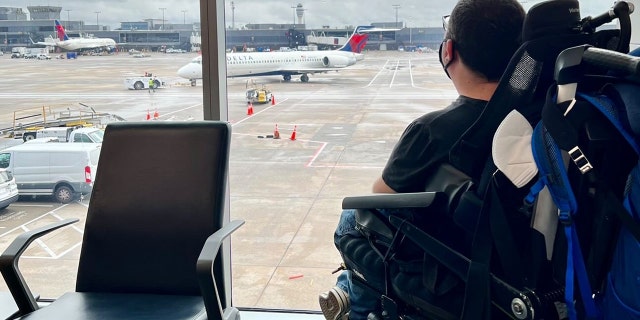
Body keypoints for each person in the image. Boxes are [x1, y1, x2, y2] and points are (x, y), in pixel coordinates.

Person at [318, 0, 526, 319]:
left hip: (443, 260)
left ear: (448, 51)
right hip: (503, 260)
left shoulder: (431, 130)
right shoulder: (533, 116)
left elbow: (380, 197)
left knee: (351, 218)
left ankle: (354, 306)